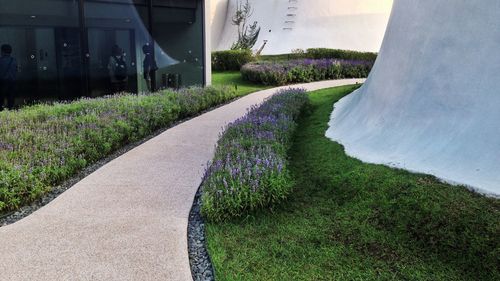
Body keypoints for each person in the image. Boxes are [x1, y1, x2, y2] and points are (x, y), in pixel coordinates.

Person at [0, 44, 17, 110]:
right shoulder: (14, 60)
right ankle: (11, 111)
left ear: (3, 51)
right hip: (12, 82)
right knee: (11, 99)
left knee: (1, 99)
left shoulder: (1, 61)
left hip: (2, 82)